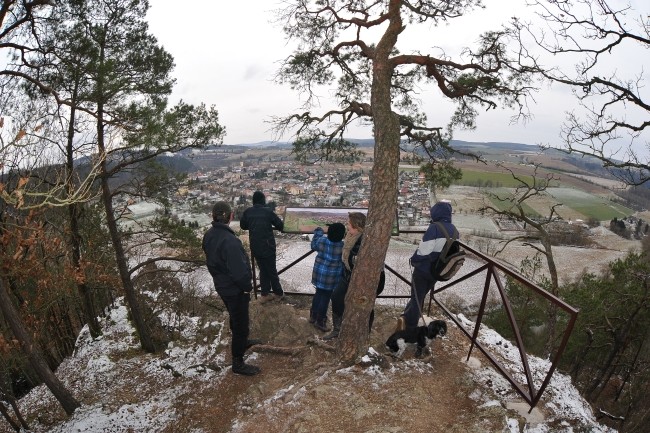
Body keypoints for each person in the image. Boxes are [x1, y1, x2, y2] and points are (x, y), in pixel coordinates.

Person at [202, 201, 261, 376]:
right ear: (231, 216)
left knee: (236, 318)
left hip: (221, 285)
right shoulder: (230, 241)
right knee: (241, 324)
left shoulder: (209, 236)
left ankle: (242, 342)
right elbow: (239, 271)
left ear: (213, 216)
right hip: (234, 289)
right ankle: (238, 362)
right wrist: (246, 288)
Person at [324, 212, 385, 340]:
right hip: (348, 275)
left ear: (357, 226)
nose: (347, 226)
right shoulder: (351, 237)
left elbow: (362, 262)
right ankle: (338, 329)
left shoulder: (365, 240)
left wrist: (354, 259)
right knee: (336, 297)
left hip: (367, 279)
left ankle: (365, 333)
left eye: (349, 224)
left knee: (365, 303)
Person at [398, 200, 457, 331]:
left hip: (423, 270)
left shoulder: (435, 228)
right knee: (420, 296)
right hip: (438, 271)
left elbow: (423, 251)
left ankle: (410, 327)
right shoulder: (454, 230)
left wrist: (413, 259)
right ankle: (406, 317)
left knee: (416, 298)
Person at [240, 191, 284, 304]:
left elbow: (243, 225)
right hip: (268, 246)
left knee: (263, 270)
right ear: (263, 200)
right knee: (271, 270)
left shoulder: (248, 212)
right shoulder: (268, 212)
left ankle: (264, 293)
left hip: (255, 246)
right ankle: (278, 293)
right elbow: (280, 225)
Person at [309, 222, 345, 332]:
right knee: (325, 297)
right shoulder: (342, 246)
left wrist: (319, 230)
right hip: (332, 277)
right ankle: (320, 321)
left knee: (318, 293)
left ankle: (313, 316)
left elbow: (313, 245)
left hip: (319, 273)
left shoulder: (322, 241)